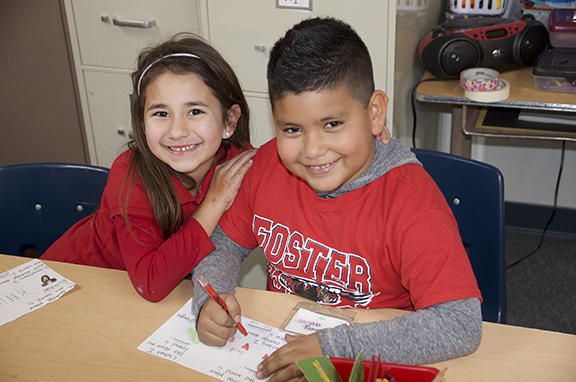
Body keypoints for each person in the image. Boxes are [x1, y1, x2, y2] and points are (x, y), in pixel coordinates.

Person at [191, 17, 483, 382]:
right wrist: (211, 297)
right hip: (284, 347)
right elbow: (222, 242)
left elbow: (459, 323)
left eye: (332, 124)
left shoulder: (412, 204)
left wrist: (332, 350)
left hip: (366, 361)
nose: (313, 150)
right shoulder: (267, 167)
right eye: (292, 129)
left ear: (374, 113)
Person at [42, 33, 256, 303]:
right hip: (71, 284)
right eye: (161, 113)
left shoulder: (238, 163)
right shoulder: (131, 174)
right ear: (142, 124)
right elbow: (151, 283)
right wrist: (215, 200)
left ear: (229, 120)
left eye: (195, 112)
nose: (177, 131)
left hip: (144, 298)